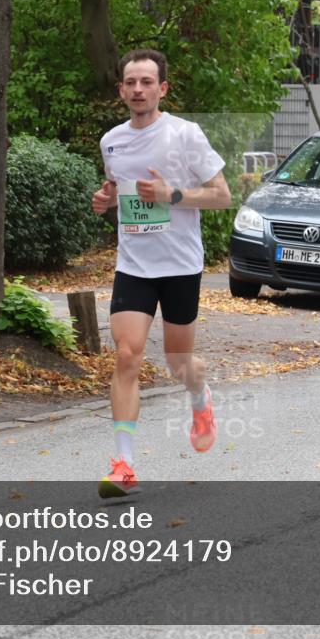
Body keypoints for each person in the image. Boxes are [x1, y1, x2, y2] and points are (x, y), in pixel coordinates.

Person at [91, 49, 232, 498]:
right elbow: (120, 190)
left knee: (178, 363)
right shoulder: (111, 141)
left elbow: (222, 196)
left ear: (162, 88)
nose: (138, 90)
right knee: (126, 356)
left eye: (147, 82)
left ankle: (199, 398)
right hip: (134, 265)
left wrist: (172, 195)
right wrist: (107, 200)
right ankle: (124, 464)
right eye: (131, 83)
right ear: (121, 90)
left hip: (179, 265)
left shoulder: (185, 135)